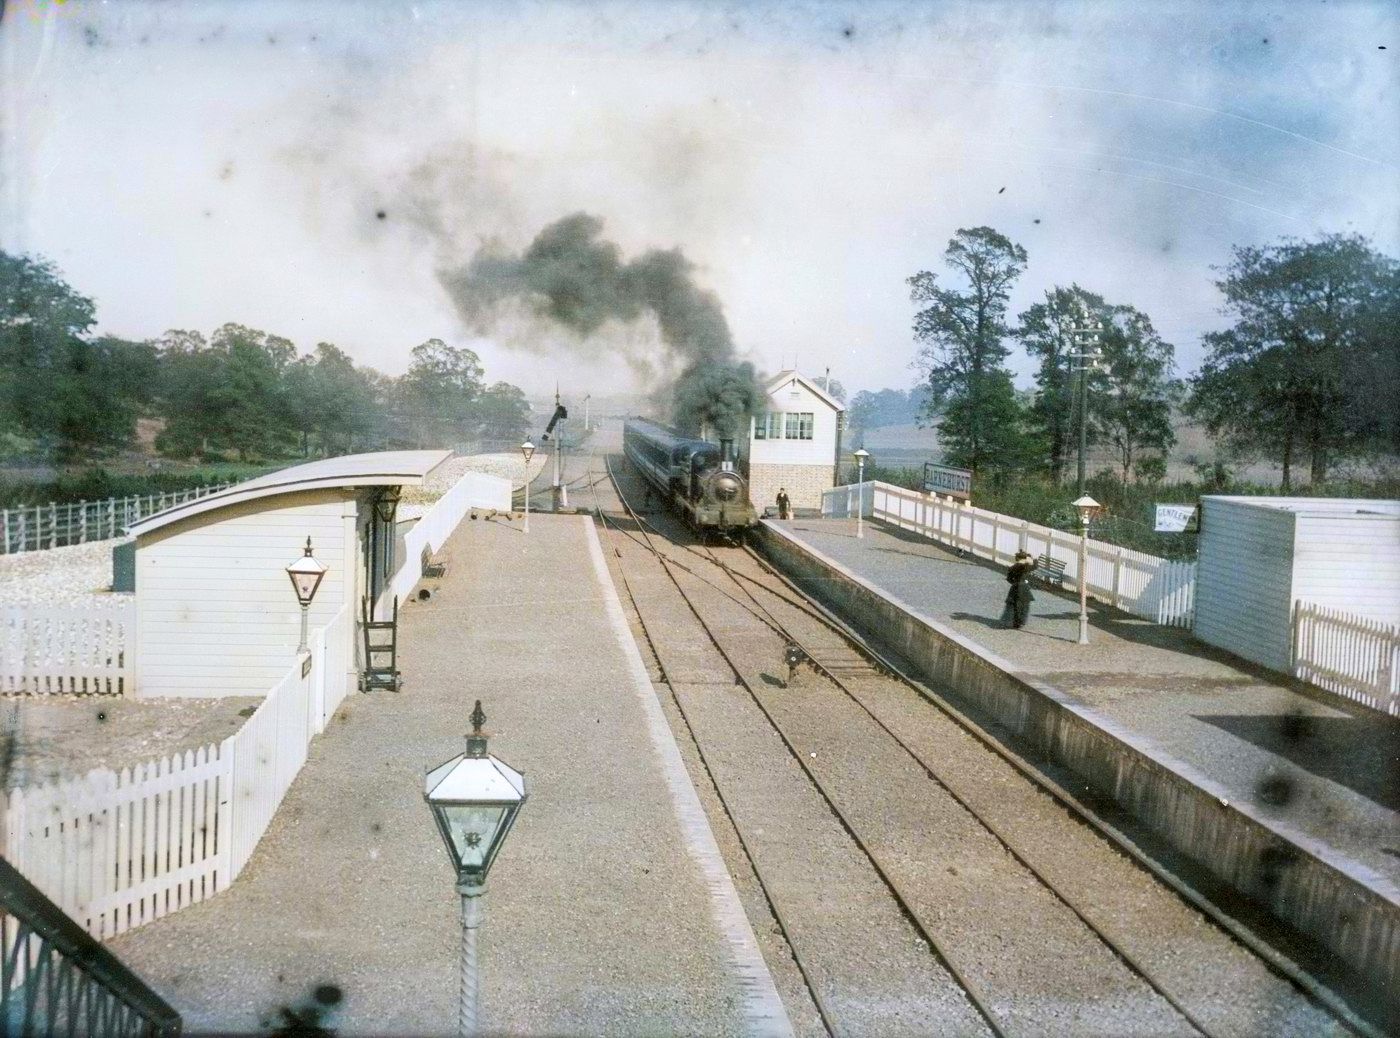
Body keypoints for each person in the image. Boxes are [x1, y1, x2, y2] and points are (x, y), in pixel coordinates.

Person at [1002, 550, 1038, 629]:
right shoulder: (1025, 566)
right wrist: (1032, 558)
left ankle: (1015, 622)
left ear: (1017, 558)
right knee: (1024, 606)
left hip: (1015, 587)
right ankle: (1021, 622)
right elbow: (1035, 566)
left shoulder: (1012, 567)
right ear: (1024, 558)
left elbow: (1009, 579)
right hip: (1024, 588)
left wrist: (1015, 583)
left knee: (1015, 606)